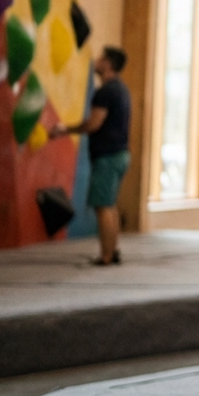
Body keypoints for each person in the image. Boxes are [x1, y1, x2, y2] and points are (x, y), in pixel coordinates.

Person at [50, 47, 132, 266]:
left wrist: (64, 130)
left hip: (107, 156)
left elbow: (94, 123)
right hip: (121, 154)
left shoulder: (106, 92)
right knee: (110, 204)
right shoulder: (121, 90)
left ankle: (106, 256)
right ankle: (112, 251)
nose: (96, 60)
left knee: (102, 206)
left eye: (102, 58)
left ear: (109, 64)